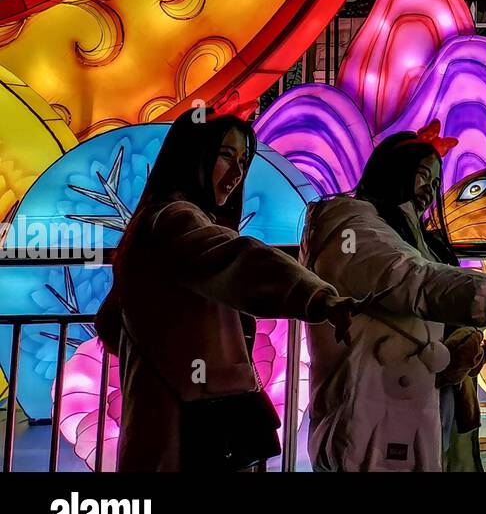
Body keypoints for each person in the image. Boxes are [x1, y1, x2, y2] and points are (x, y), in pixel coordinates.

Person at [95, 113, 357, 472]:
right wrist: (317, 297)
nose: (236, 175)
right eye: (224, 156)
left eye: (243, 162)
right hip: (188, 426)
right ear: (193, 156)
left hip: (170, 414)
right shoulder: (174, 219)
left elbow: (113, 320)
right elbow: (241, 261)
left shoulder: (157, 219)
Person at [299, 126, 486, 472]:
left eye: (436, 182)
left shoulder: (413, 235)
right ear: (394, 171)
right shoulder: (348, 223)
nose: (430, 189)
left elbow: (428, 291)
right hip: (368, 401)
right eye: (423, 176)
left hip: (418, 398)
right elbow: (409, 280)